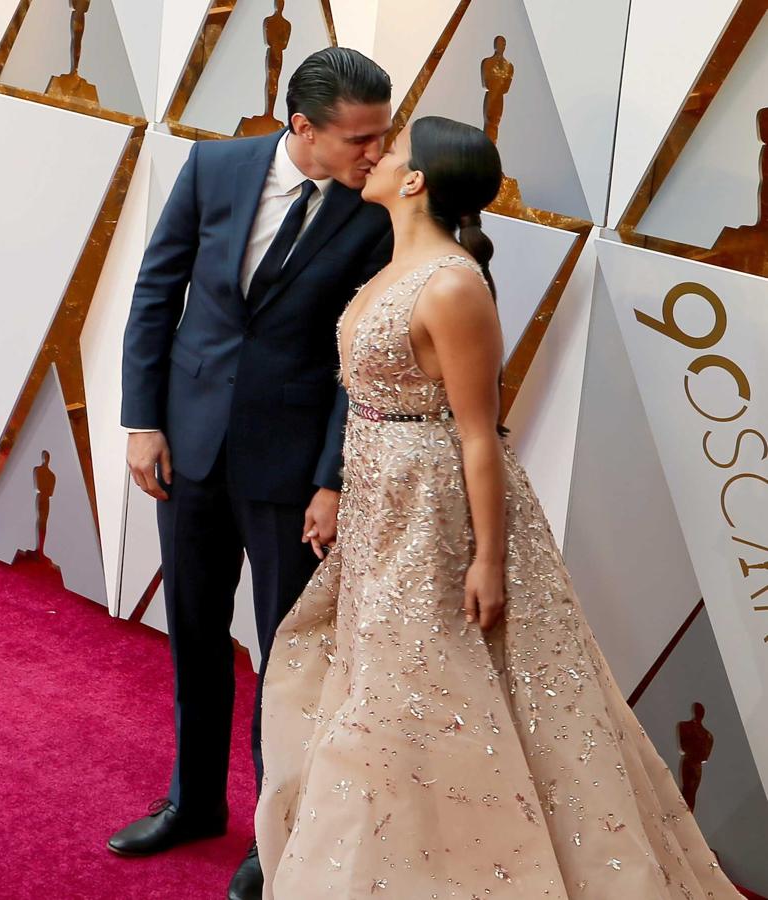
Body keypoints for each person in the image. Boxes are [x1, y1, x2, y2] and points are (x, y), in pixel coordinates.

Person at [254, 115, 742, 899]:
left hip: (433, 513)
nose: (374, 156)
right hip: (381, 500)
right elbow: (370, 402)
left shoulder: (450, 284)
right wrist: (336, 488)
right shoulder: (392, 265)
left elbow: (479, 435)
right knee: (380, 687)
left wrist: (485, 559)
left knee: (417, 692)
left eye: (393, 151)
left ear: (415, 181)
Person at [113, 48, 395, 900]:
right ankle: (192, 803)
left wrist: (331, 480)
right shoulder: (215, 166)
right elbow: (156, 291)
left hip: (291, 465)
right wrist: (142, 421)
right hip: (188, 447)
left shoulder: (375, 211)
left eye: (383, 134)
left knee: (287, 658)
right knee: (194, 636)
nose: (376, 154)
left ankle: (277, 839)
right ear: (300, 127)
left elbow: (363, 361)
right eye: (359, 138)